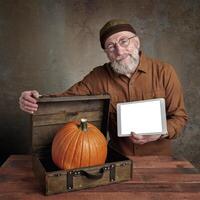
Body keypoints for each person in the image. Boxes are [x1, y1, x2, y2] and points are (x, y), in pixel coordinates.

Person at [19, 19, 188, 156]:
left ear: (136, 42)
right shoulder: (98, 76)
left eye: (124, 41)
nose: (119, 51)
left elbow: (179, 118)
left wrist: (161, 132)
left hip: (159, 160)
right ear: (106, 53)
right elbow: (66, 99)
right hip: (116, 157)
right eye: (111, 46)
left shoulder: (164, 71)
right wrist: (36, 99)